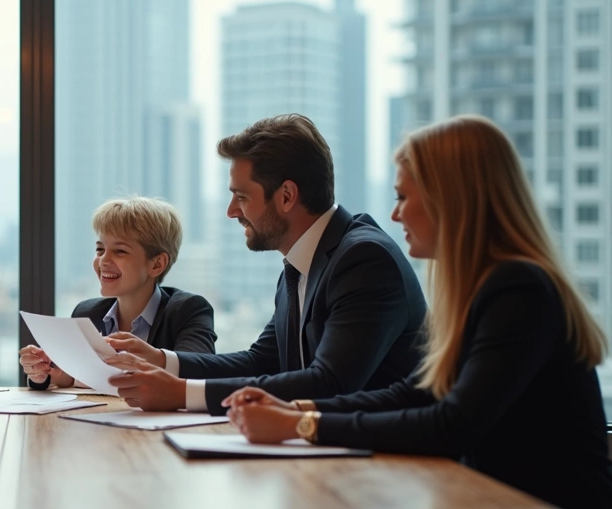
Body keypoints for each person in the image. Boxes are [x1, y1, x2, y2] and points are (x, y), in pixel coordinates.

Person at [227, 115, 612, 509]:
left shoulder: (519, 289)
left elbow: (451, 425)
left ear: (451, 198)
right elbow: (418, 393)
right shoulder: (481, 287)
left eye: (403, 196)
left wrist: (303, 426)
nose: (394, 212)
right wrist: (296, 411)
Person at [105, 114, 426, 414]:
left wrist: (181, 393)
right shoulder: (301, 263)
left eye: (242, 197)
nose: (231, 211)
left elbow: (329, 383)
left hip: (384, 463)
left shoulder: (364, 259)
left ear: (286, 196)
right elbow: (263, 361)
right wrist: (162, 361)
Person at [20, 196, 215, 389]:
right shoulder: (86, 312)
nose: (103, 260)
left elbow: (201, 372)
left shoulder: (188, 310)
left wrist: (152, 360)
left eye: (120, 251)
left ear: (157, 264)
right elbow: (75, 379)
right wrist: (48, 375)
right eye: (100, 249)